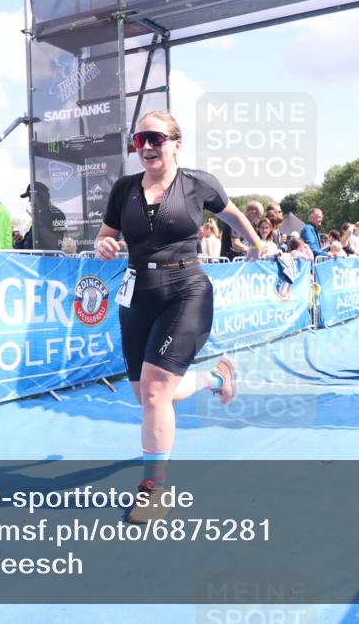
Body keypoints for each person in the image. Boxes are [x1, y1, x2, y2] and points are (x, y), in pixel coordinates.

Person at [93, 110, 262, 524]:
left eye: (156, 138)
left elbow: (233, 214)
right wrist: (103, 245)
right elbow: (106, 234)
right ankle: (216, 378)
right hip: (137, 294)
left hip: (186, 290)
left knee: (153, 394)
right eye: (139, 141)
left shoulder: (197, 183)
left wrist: (257, 243)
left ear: (175, 142)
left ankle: (153, 490)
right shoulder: (124, 188)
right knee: (147, 395)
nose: (147, 147)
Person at [13, 182, 65, 251]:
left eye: (31, 197)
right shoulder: (39, 215)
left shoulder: (56, 214)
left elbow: (56, 244)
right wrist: (19, 242)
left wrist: (38, 221)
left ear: (41, 197)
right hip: (33, 260)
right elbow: (30, 243)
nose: (29, 201)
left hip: (46, 260)